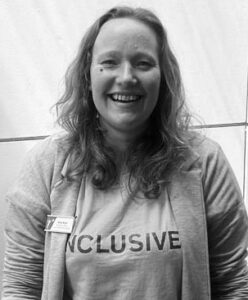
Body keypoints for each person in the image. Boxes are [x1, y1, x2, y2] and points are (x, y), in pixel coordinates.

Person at [2, 6, 248, 300]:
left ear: (163, 76)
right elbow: (20, 285)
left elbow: (234, 284)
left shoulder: (205, 162)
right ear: (88, 75)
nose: (127, 77)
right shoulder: (46, 165)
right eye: (110, 62)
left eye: (143, 63)